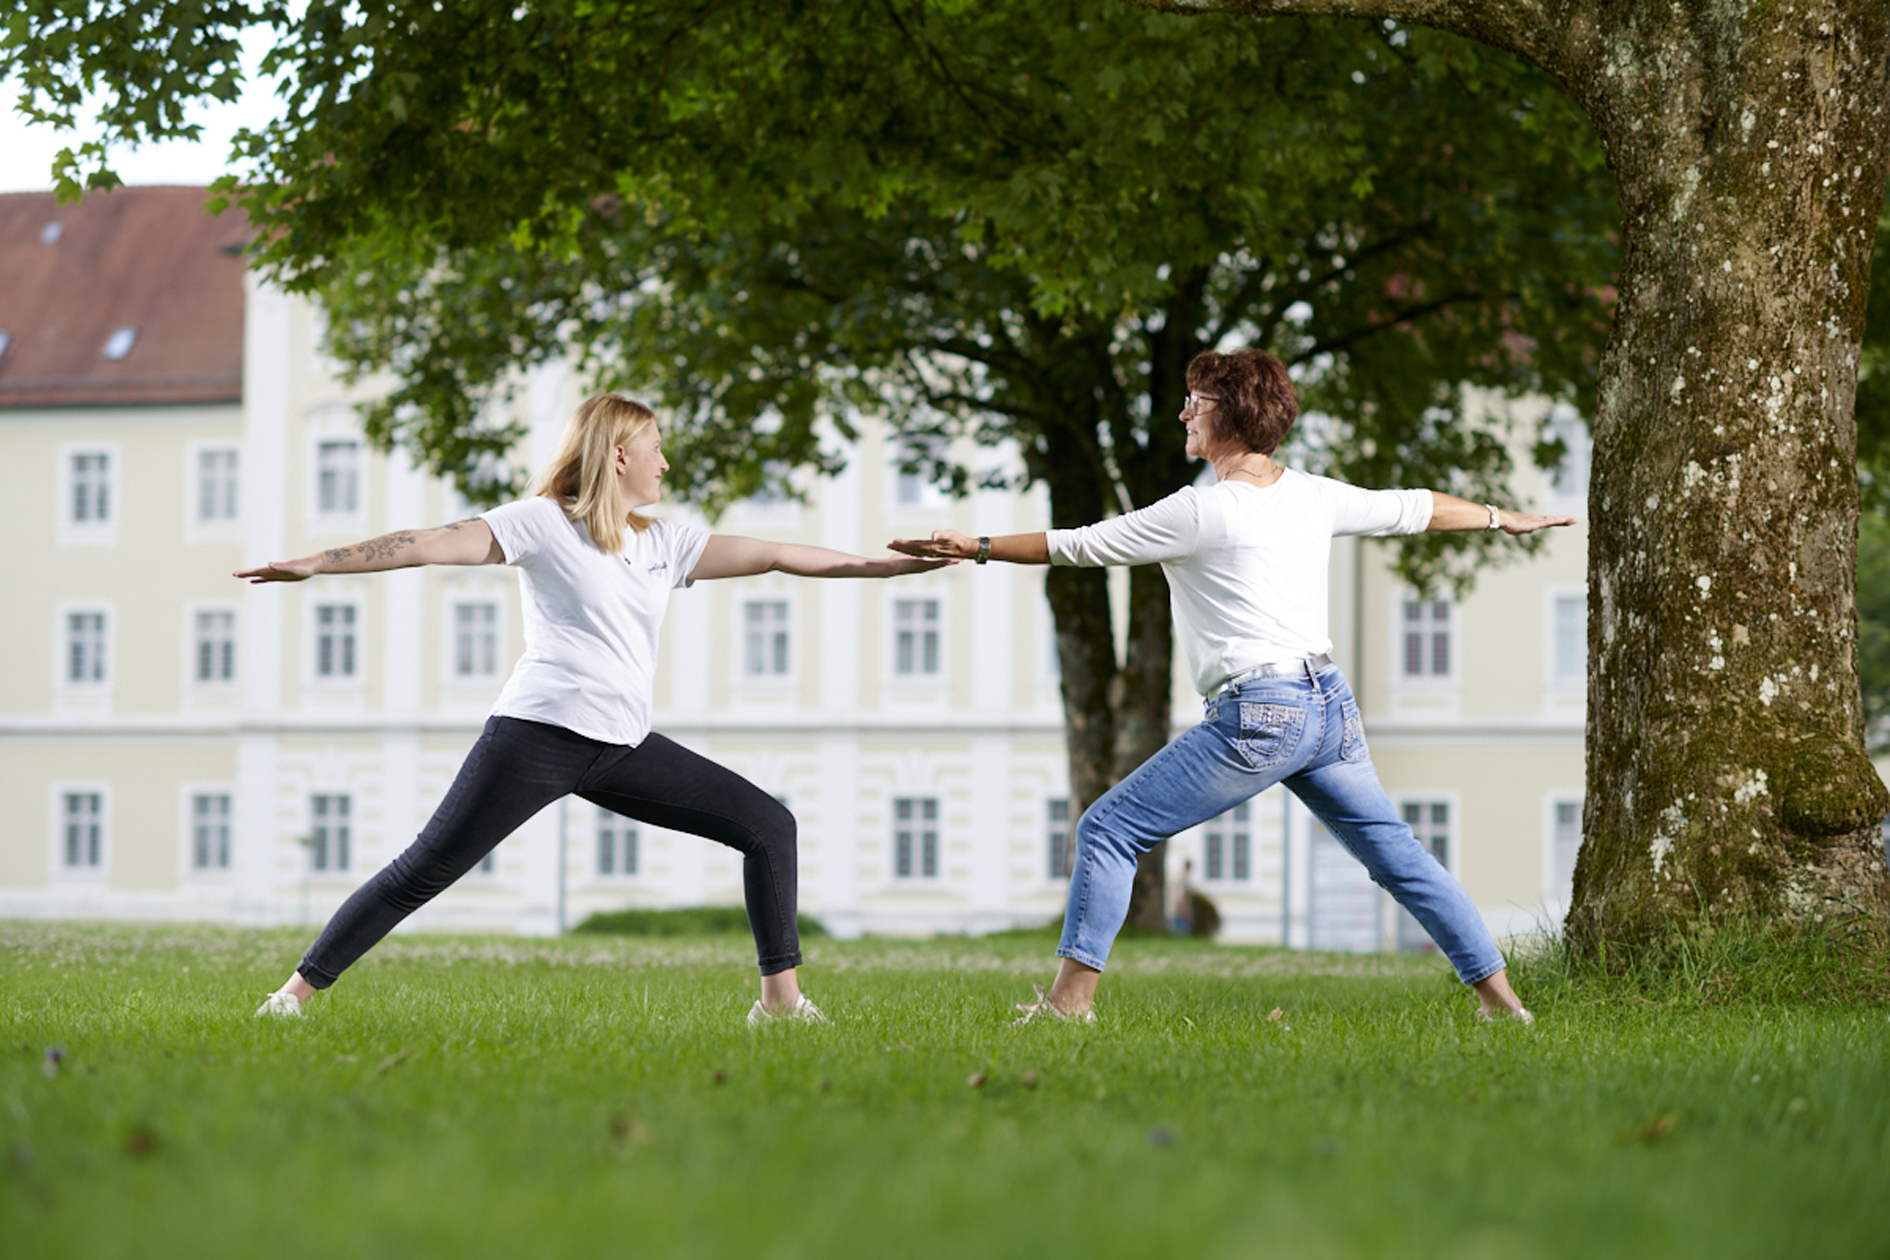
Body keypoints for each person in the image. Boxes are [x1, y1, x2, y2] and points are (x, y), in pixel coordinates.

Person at [892, 348, 1571, 1025]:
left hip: (1263, 714)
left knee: (1108, 826)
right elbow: (1416, 508)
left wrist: (975, 545)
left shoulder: (1200, 512)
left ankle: (1070, 1006)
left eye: (1198, 401)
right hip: (1329, 706)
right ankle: (1504, 1006)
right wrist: (1497, 516)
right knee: (1399, 856)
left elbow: (1080, 544)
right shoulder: (1311, 493)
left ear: (1234, 414)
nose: (1185, 412)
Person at [241, 393, 949, 1025]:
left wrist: (885, 567)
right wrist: (317, 563)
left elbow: (773, 554)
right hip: (536, 736)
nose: (665, 464)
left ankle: (781, 1004)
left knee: (769, 826)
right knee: (424, 869)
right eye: (656, 448)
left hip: (622, 745)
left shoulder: (662, 542)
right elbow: (429, 544)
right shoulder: (541, 524)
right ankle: (291, 997)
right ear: (618, 455)